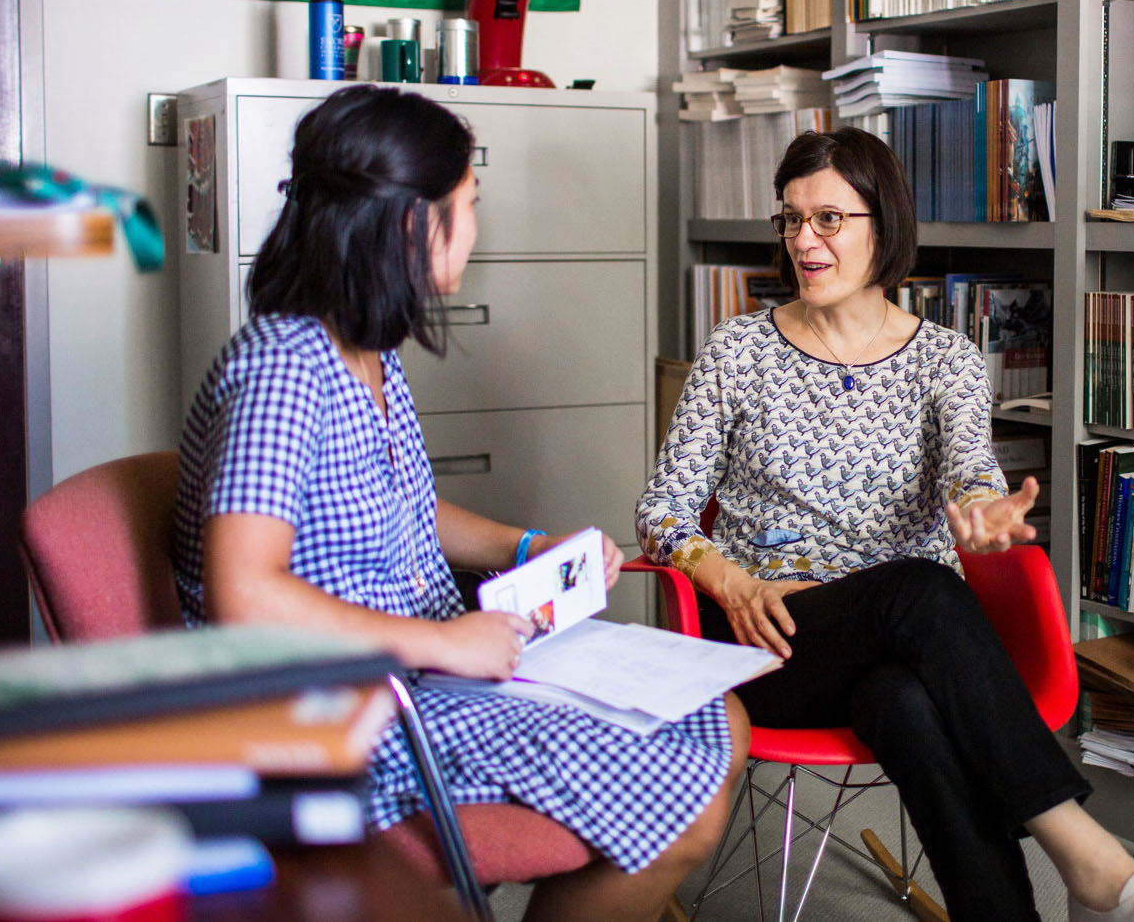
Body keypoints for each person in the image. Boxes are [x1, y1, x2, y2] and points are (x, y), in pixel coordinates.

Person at [172, 85, 747, 922]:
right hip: (339, 707)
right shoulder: (286, 369)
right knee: (689, 796)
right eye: (469, 203)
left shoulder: (365, 348)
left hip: (415, 667)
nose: (478, 226)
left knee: (716, 717)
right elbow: (243, 595)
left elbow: (409, 507)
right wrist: (445, 640)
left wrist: (529, 546)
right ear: (412, 224)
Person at [637, 126, 1134, 922]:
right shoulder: (738, 349)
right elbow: (661, 508)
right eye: (791, 219)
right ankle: (1095, 863)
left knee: (906, 701)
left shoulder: (945, 358)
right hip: (771, 635)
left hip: (911, 645)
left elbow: (972, 472)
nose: (804, 241)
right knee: (921, 587)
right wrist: (727, 578)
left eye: (829, 219)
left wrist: (983, 512)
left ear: (885, 224)